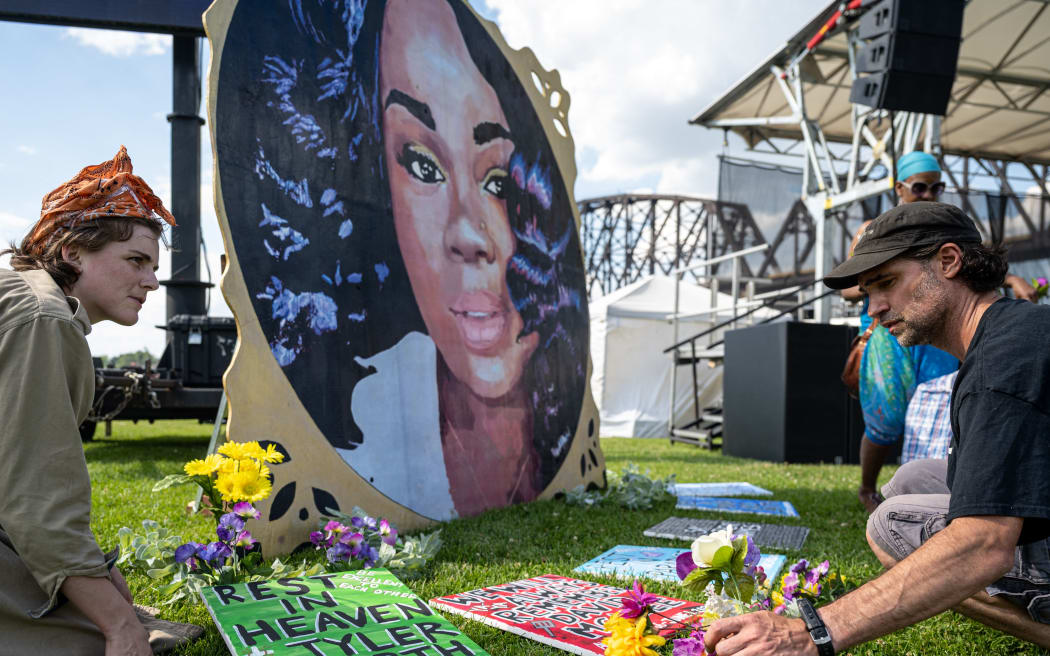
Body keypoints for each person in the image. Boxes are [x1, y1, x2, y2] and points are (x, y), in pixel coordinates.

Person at [215, 0, 588, 520]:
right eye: (421, 164)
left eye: (498, 182)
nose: (467, 233)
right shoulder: (362, 429)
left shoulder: (559, 432)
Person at [706, 201, 1050, 654]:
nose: (875, 308)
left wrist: (815, 630)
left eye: (887, 283)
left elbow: (984, 543)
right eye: (867, 292)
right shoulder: (1011, 331)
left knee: (890, 525)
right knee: (909, 480)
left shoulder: (999, 365)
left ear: (948, 262)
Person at [0, 147, 201, 653]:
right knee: (85, 634)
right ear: (72, 252)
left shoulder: (32, 298)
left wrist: (103, 578)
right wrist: (120, 624)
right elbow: (37, 495)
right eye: (136, 261)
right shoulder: (43, 318)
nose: (152, 282)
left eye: (153, 266)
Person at [842, 152, 1035, 513]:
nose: (928, 193)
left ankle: (942, 490)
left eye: (936, 186)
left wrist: (1010, 278)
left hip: (932, 331)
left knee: (940, 403)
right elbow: (848, 289)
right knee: (886, 415)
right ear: (899, 187)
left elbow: (968, 269)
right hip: (890, 338)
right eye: (919, 187)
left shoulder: (945, 229)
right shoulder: (870, 231)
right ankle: (868, 487)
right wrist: (881, 283)